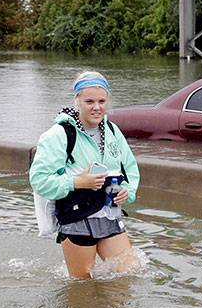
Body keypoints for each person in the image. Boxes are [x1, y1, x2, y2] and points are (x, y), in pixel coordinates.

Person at [30, 71, 141, 279]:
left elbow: (130, 168)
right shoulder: (59, 134)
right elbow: (39, 180)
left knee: (129, 276)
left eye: (101, 101)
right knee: (83, 286)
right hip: (76, 216)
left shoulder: (112, 131)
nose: (96, 107)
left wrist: (128, 191)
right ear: (77, 101)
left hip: (109, 212)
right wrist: (77, 182)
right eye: (89, 101)